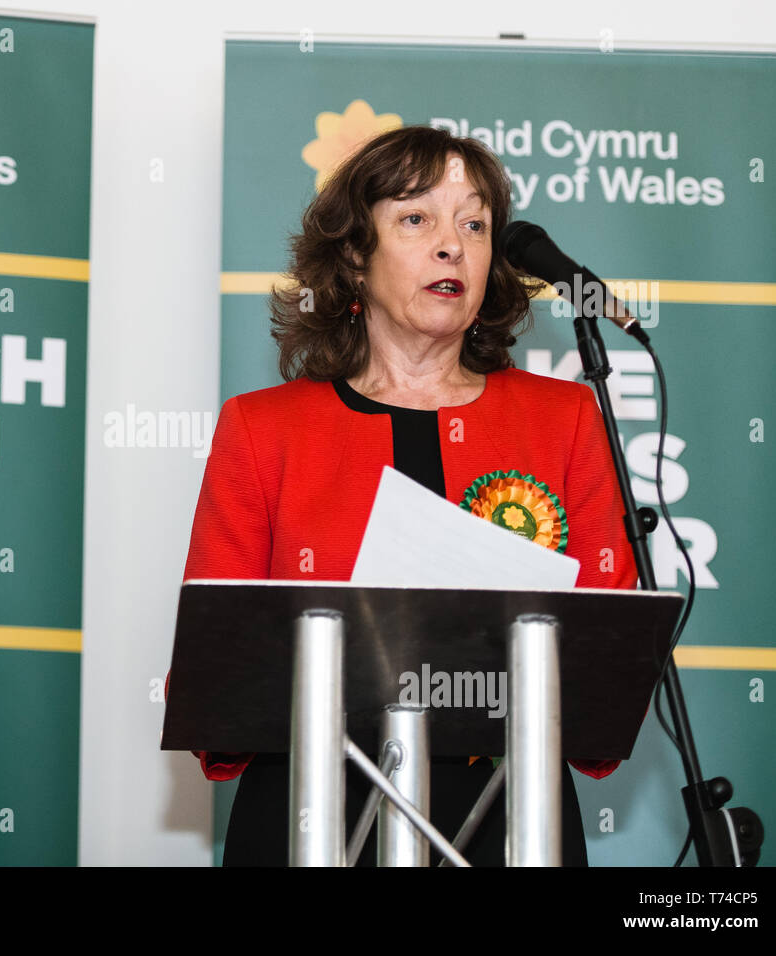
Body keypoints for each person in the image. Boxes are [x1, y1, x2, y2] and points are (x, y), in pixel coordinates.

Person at [178, 125, 638, 866]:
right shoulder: (262, 430)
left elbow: (606, 672)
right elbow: (212, 688)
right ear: (355, 257)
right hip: (312, 819)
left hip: (510, 820)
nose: (453, 245)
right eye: (417, 219)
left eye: (476, 223)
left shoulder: (565, 419)